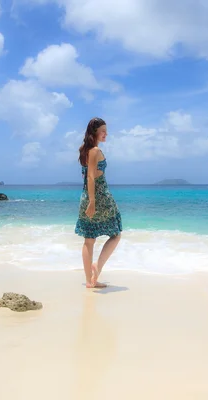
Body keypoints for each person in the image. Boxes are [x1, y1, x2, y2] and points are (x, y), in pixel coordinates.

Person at [75, 117, 122, 288]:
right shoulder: (94, 150)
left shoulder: (84, 149)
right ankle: (97, 266)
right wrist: (93, 202)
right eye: (103, 131)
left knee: (89, 239)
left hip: (86, 196)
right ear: (94, 132)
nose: (106, 134)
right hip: (100, 196)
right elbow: (90, 177)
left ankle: (90, 282)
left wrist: (89, 200)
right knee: (116, 234)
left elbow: (86, 176)